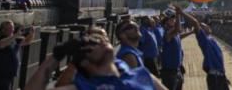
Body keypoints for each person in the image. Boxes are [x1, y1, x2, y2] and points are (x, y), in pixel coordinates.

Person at [24, 34, 169, 90]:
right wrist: (56, 56)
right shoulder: (84, 87)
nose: (99, 42)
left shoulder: (144, 76)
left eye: (100, 40)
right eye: (92, 44)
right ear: (85, 63)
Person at [180, 9, 229, 89]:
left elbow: (219, 59)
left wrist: (224, 76)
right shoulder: (204, 39)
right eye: (203, 26)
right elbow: (195, 23)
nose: (207, 26)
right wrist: (181, 12)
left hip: (221, 76)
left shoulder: (212, 40)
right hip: (214, 77)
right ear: (201, 30)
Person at [0, 21, 35, 90]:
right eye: (10, 28)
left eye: (13, 28)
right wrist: (16, 35)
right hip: (0, 76)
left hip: (10, 75)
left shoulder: (13, 40)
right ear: (3, 30)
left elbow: (27, 41)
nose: (13, 30)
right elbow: (1, 44)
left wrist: (32, 33)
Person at [161, 7, 194, 90]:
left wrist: (191, 32)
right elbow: (178, 30)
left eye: (174, 18)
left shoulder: (174, 33)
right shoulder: (167, 33)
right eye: (171, 19)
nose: (174, 20)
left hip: (177, 70)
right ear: (166, 22)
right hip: (169, 73)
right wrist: (178, 14)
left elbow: (180, 35)